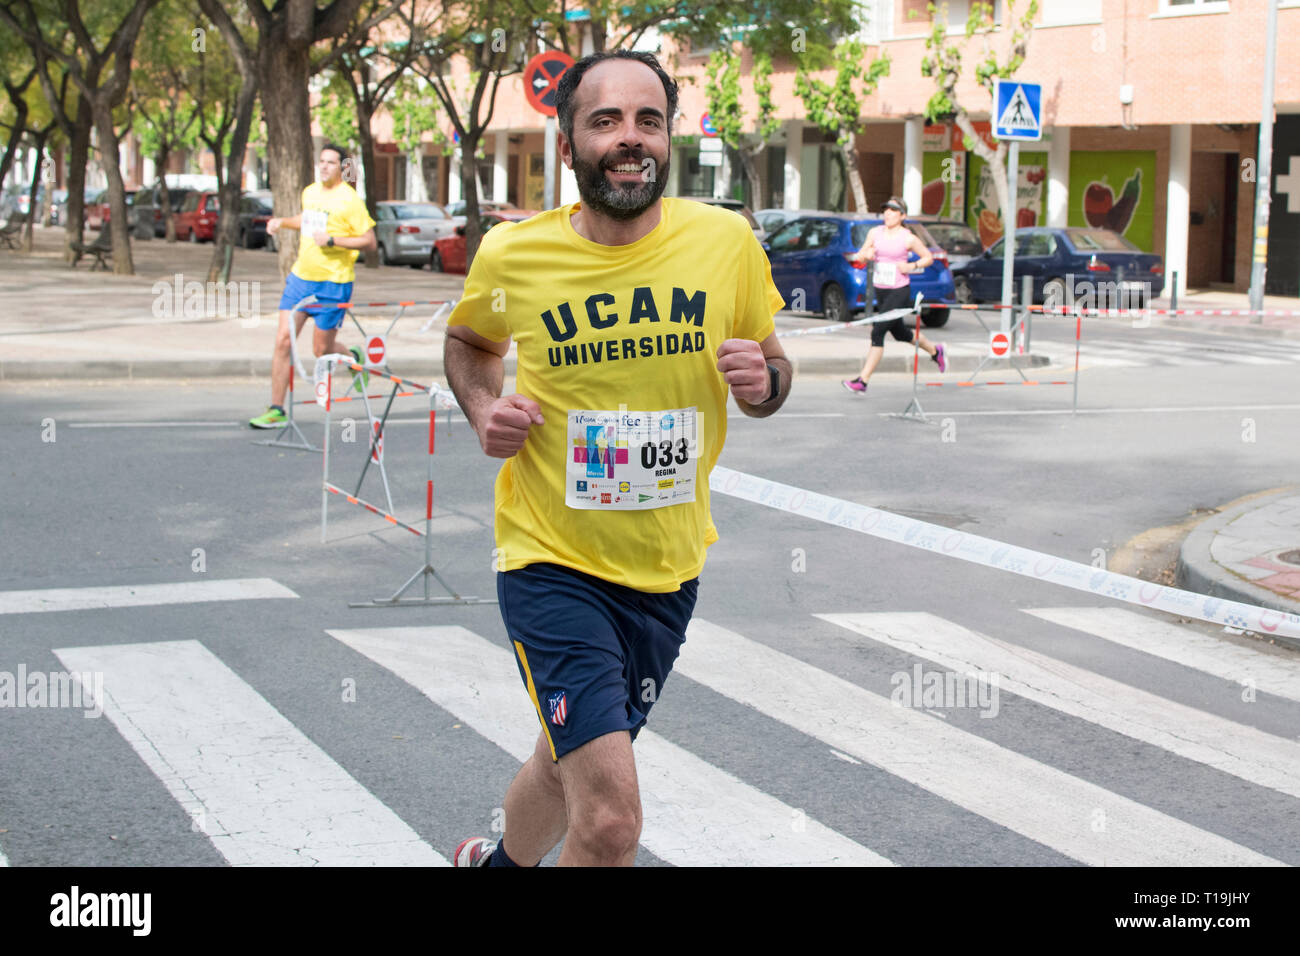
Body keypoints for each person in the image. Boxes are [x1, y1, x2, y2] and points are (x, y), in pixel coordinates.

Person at [443, 49, 790, 867]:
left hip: (667, 569)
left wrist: (764, 380)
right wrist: (484, 406)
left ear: (668, 138)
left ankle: (496, 866)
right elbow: (470, 345)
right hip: (550, 560)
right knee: (609, 822)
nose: (630, 139)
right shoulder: (513, 255)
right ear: (567, 145)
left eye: (648, 121)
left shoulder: (726, 243)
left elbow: (773, 372)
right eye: (605, 121)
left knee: (561, 763)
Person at [248, 143, 377, 428]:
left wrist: (333, 241)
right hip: (301, 279)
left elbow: (369, 241)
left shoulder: (350, 200)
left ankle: (352, 356)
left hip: (334, 283)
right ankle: (276, 409)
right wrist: (282, 222)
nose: (324, 167)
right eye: (321, 161)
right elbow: (306, 220)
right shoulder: (310, 192)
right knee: (283, 340)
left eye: (331, 162)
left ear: (342, 168)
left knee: (321, 351)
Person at [841, 197, 946, 394]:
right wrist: (867, 255)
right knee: (901, 333)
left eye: (893, 210)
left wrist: (911, 266)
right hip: (881, 289)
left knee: (878, 331)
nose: (888, 214)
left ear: (902, 215)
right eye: (886, 210)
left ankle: (862, 381)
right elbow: (860, 255)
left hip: (900, 290)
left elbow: (928, 258)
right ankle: (935, 351)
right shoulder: (875, 233)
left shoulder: (908, 237)